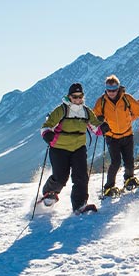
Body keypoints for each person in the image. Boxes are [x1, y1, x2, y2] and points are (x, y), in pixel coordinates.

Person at [40, 83, 109, 214]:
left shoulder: (86, 111)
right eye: (74, 97)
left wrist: (102, 128)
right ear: (69, 97)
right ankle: (49, 192)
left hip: (78, 148)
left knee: (81, 177)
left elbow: (95, 128)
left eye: (80, 96)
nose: (77, 99)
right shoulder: (61, 110)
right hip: (59, 147)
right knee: (61, 177)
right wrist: (47, 134)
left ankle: (79, 204)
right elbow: (46, 126)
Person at [93, 75, 139, 196]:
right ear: (106, 89)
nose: (111, 93)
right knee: (116, 162)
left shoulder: (127, 98)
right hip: (112, 136)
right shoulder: (102, 102)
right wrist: (100, 123)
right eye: (109, 90)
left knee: (129, 160)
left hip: (127, 134)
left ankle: (129, 179)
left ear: (118, 88)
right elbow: (93, 117)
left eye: (114, 90)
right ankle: (109, 187)